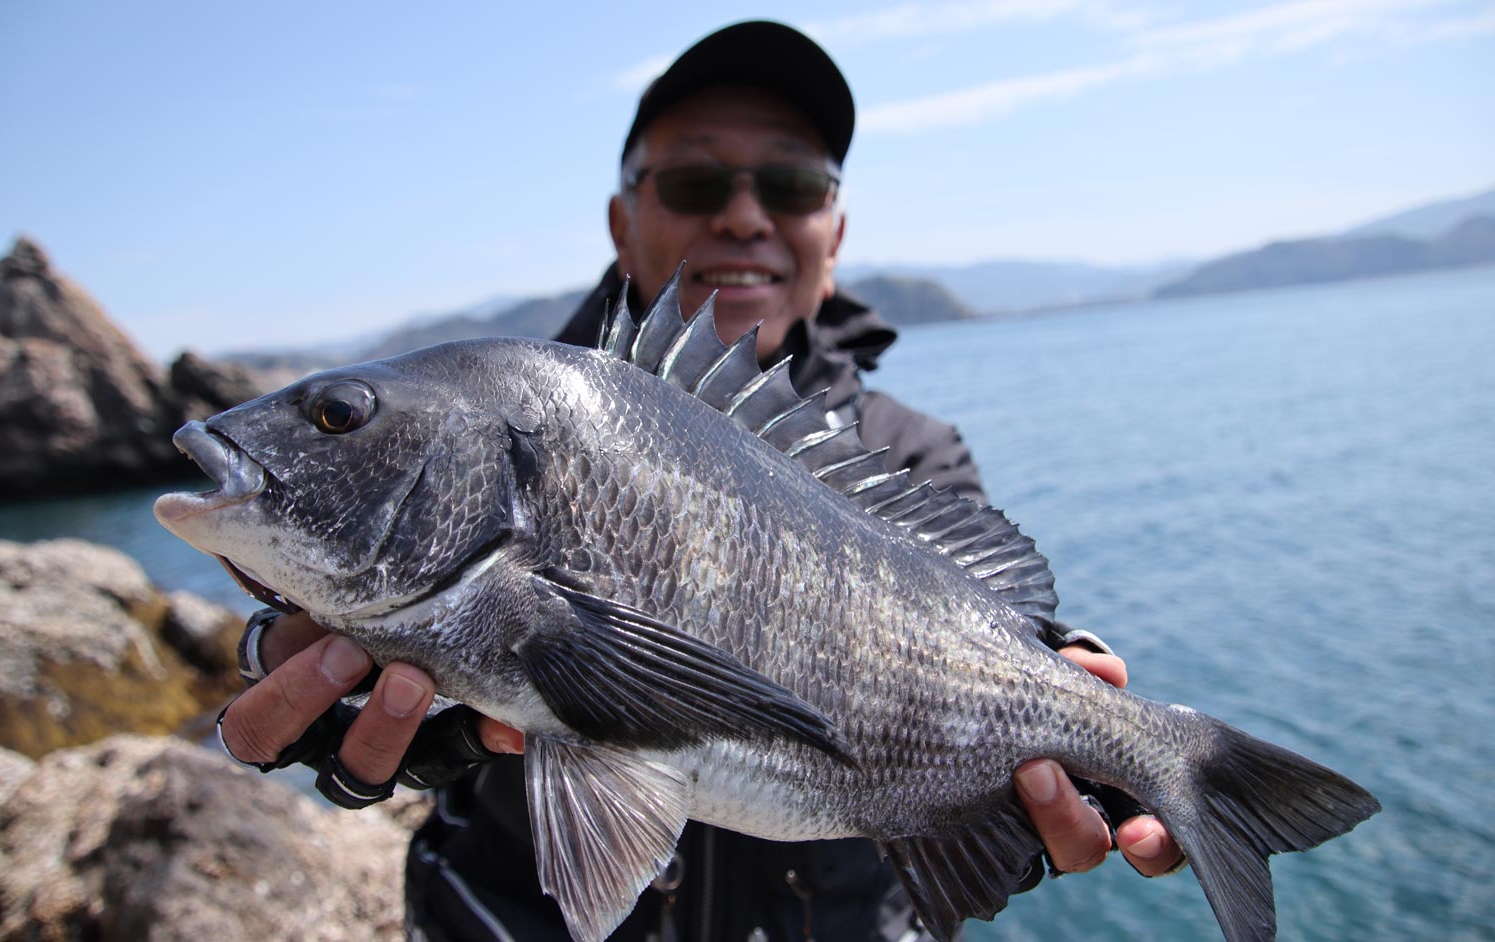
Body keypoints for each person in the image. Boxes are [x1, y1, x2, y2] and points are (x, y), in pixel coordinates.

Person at [216, 21, 1183, 941]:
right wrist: (324, 685)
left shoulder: (910, 456)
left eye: (793, 185)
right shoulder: (507, 410)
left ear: (835, 231)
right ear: (621, 220)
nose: (745, 215)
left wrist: (1069, 734)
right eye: (694, 181)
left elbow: (1008, 641)